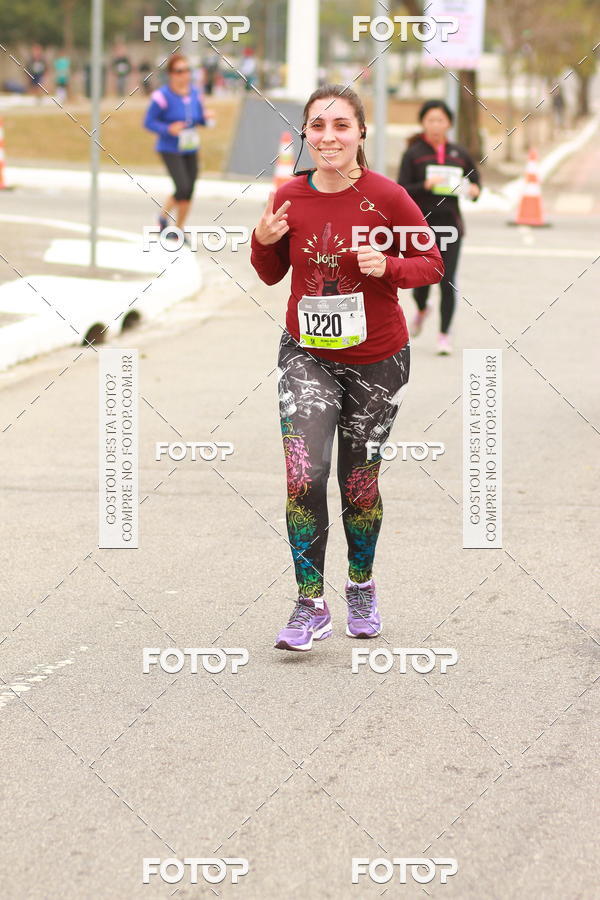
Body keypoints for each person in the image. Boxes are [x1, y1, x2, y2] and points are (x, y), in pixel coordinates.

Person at [250, 84, 444, 652]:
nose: (328, 137)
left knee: (359, 482)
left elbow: (431, 261)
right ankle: (310, 603)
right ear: (305, 134)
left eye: (340, 126)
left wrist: (386, 265)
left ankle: (361, 585)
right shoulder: (290, 195)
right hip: (306, 354)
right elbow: (269, 272)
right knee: (303, 474)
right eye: (317, 126)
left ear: (362, 133)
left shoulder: (388, 196)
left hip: (378, 359)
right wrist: (261, 241)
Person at [397, 99, 481, 355]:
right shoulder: (413, 154)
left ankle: (444, 335)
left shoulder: (459, 154)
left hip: (451, 227)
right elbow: (401, 190)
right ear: (423, 122)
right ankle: (422, 308)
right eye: (430, 120)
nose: (436, 125)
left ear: (449, 123)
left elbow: (475, 185)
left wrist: (475, 190)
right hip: (420, 228)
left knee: (447, 282)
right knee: (421, 282)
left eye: (440, 120)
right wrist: (426, 185)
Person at [143, 54, 214, 237]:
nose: (184, 75)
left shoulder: (194, 93)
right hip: (169, 148)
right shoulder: (162, 96)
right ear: (171, 74)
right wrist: (168, 128)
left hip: (190, 146)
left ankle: (177, 228)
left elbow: (197, 118)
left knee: (189, 189)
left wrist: (205, 119)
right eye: (179, 71)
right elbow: (149, 122)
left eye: (187, 70)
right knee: (182, 186)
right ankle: (164, 219)